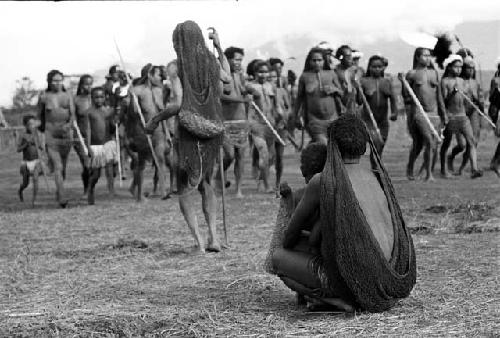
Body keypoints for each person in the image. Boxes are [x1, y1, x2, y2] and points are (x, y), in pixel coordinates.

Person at [268, 114, 416, 312]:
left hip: (358, 283)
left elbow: (288, 238)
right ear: (365, 145)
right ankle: (341, 298)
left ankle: (337, 301)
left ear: (332, 146)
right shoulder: (379, 176)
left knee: (277, 259)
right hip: (390, 278)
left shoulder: (323, 181)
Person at [145, 21, 231, 253]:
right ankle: (214, 236)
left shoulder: (176, 68)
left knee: (184, 187)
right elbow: (228, 81)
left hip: (188, 133)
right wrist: (220, 48)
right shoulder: (211, 62)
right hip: (212, 129)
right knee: (206, 184)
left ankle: (200, 243)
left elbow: (177, 105)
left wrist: (155, 120)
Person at [218, 46, 258, 198]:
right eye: (235, 59)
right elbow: (221, 96)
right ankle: (219, 176)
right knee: (229, 155)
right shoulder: (221, 76)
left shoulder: (240, 75)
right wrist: (242, 99)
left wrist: (250, 90)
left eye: (240, 59)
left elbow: (242, 90)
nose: (238, 62)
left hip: (242, 120)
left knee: (240, 155)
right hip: (226, 122)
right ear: (227, 60)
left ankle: (238, 188)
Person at [127, 64, 170, 201]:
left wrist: (167, 132)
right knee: (142, 164)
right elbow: (133, 114)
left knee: (161, 158)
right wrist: (133, 101)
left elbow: (162, 113)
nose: (161, 77)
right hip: (143, 131)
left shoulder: (159, 91)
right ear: (149, 76)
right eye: (158, 74)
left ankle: (163, 191)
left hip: (158, 131)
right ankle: (139, 193)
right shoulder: (137, 91)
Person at [402, 47, 447, 181]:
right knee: (427, 141)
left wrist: (443, 114)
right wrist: (402, 83)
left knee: (429, 144)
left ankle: (425, 171)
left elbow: (439, 96)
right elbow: (406, 96)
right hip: (419, 113)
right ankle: (423, 172)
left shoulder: (435, 73)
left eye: (429, 56)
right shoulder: (411, 74)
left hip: (434, 114)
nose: (427, 58)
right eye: (424, 56)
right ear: (417, 57)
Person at [439, 55, 482, 179]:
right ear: (450, 67)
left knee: (472, 142)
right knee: (446, 143)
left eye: (460, 67)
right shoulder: (445, 81)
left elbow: (468, 99)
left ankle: (474, 169)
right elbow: (443, 100)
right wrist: (453, 92)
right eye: (456, 67)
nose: (458, 69)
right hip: (451, 117)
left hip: (463, 116)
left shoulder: (462, 81)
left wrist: (475, 98)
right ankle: (443, 169)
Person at [38, 69, 75, 208]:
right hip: (50, 135)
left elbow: (72, 116)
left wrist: (69, 125)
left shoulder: (68, 96)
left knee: (63, 168)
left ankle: (59, 190)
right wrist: (36, 129)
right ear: (49, 82)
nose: (57, 83)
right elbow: (39, 117)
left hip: (65, 136)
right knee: (58, 166)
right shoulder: (43, 97)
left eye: (60, 80)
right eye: (54, 80)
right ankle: (62, 196)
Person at [294, 47, 343, 145]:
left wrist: (333, 89)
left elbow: (341, 93)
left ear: (324, 61)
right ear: (309, 61)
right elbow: (299, 98)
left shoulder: (331, 74)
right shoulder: (304, 77)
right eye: (314, 60)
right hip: (314, 120)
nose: (317, 63)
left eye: (319, 60)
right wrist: (296, 116)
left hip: (333, 118)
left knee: (334, 148)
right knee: (324, 145)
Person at [248, 61, 280, 193]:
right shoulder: (250, 86)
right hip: (257, 125)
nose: (263, 74)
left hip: (270, 124)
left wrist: (280, 117)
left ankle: (261, 179)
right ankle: (267, 185)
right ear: (255, 73)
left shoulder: (271, 86)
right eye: (260, 72)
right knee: (264, 153)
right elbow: (248, 107)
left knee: (270, 156)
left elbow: (275, 106)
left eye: (266, 71)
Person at [84, 87, 118, 205]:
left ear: (105, 97)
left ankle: (111, 192)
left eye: (101, 97)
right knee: (96, 174)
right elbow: (88, 130)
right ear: (92, 98)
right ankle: (91, 188)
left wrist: (115, 121)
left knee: (110, 168)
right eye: (96, 97)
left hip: (107, 143)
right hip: (95, 146)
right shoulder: (89, 112)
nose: (99, 99)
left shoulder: (108, 111)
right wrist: (88, 147)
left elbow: (113, 129)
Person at [358, 55, 398, 155]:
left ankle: (375, 167)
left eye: (379, 67)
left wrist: (394, 112)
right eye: (374, 67)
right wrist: (366, 94)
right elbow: (359, 101)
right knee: (376, 143)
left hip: (383, 121)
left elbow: (393, 99)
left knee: (380, 145)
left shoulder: (387, 82)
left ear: (383, 68)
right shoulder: (364, 81)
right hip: (369, 120)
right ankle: (375, 168)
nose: (377, 69)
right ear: (369, 67)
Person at [17, 115, 43, 207]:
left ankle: (34, 200)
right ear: (25, 125)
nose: (32, 126)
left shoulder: (37, 134)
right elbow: (18, 149)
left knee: (35, 179)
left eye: (33, 124)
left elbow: (42, 147)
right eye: (29, 124)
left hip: (36, 161)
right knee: (25, 183)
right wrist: (26, 144)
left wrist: (37, 143)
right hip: (26, 163)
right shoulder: (23, 135)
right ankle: (20, 191)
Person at [74, 74, 93, 196]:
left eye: (91, 84)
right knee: (87, 165)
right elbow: (73, 120)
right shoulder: (76, 100)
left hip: (96, 137)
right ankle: (87, 189)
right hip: (81, 138)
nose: (89, 87)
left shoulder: (96, 98)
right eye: (86, 84)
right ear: (81, 85)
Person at [334, 45, 358, 114]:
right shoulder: (335, 71)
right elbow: (335, 92)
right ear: (341, 57)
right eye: (347, 56)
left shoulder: (354, 70)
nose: (350, 59)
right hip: (340, 106)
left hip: (353, 105)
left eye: (351, 56)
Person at [488, 58, 500, 173]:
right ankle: (495, 163)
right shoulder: (495, 80)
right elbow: (491, 98)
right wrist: (497, 92)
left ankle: (495, 161)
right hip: (496, 110)